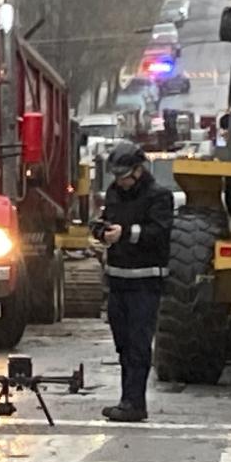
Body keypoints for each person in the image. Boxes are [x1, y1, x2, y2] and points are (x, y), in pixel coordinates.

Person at [91, 141, 174, 422]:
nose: (121, 182)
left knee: (139, 344)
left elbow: (159, 232)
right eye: (117, 176)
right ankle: (127, 399)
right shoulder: (115, 194)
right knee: (123, 344)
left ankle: (134, 402)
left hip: (145, 281)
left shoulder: (159, 197)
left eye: (125, 176)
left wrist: (125, 233)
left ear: (139, 171)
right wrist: (101, 230)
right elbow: (103, 219)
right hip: (118, 280)